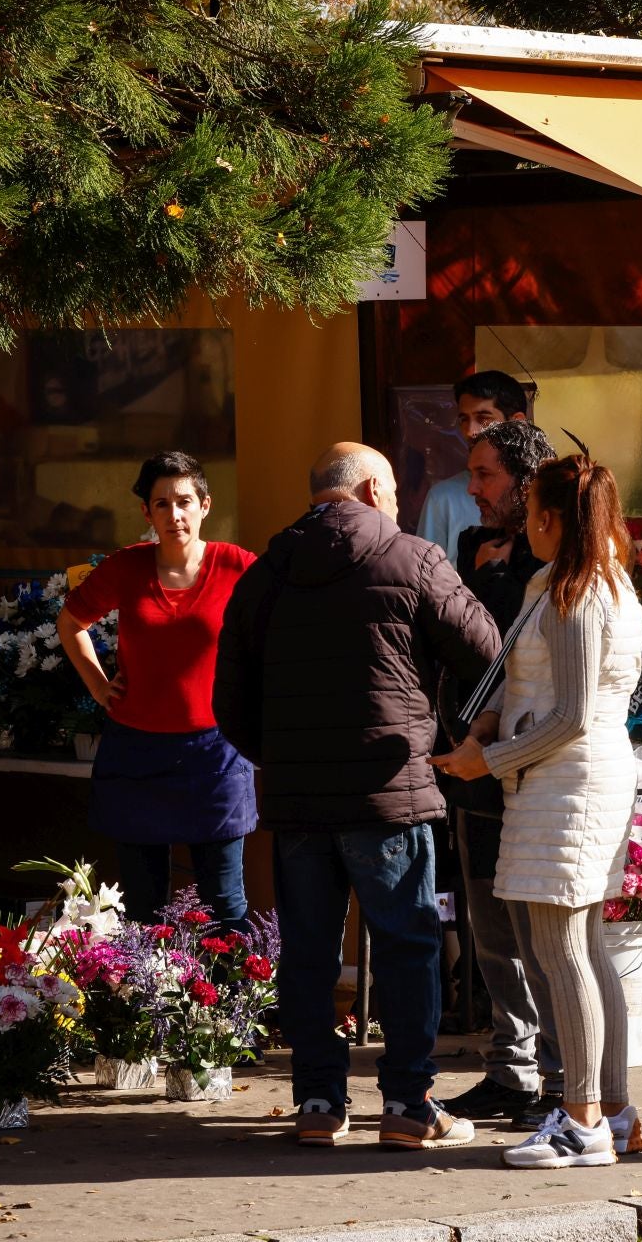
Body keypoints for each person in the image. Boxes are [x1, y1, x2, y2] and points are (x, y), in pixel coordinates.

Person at [214, 443, 498, 1151]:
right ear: (372, 489)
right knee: (407, 945)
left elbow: (229, 701)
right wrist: (449, 736)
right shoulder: (415, 559)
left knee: (308, 950)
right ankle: (408, 1103)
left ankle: (317, 1101)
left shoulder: (264, 573)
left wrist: (282, 758)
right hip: (389, 791)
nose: (398, 503)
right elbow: (488, 654)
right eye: (395, 490)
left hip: (298, 798)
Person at [432, 455, 642, 1170]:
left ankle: (581, 1119)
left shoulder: (576, 592)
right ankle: (611, 1111)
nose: (524, 526)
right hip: (558, 784)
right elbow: (535, 692)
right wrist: (490, 728)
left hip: (569, 786)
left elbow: (574, 717)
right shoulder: (575, 583)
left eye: (530, 515)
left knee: (562, 956)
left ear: (551, 519)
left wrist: (483, 762)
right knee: (580, 955)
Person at [435, 420, 571, 1125]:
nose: (475, 489)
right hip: (473, 763)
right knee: (489, 925)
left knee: (536, 933)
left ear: (528, 481)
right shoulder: (469, 547)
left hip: (535, 765)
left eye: (486, 475)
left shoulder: (560, 560)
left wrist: (493, 580)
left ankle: (557, 1077)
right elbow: (455, 640)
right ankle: (509, 1068)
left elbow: (511, 645)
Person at [59, 452, 258, 928]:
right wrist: (100, 685)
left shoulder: (238, 566)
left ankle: (230, 1002)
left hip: (216, 754)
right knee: (145, 908)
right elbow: (71, 622)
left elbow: (280, 629)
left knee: (225, 902)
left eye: (185, 501)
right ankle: (149, 1001)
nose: (175, 514)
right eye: (162, 504)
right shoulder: (126, 567)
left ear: (205, 505)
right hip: (136, 752)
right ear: (147, 513)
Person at [417, 371, 530, 560]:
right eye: (464, 420)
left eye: (484, 419)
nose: (471, 431)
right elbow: (424, 579)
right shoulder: (443, 498)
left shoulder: (544, 493)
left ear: (517, 422)